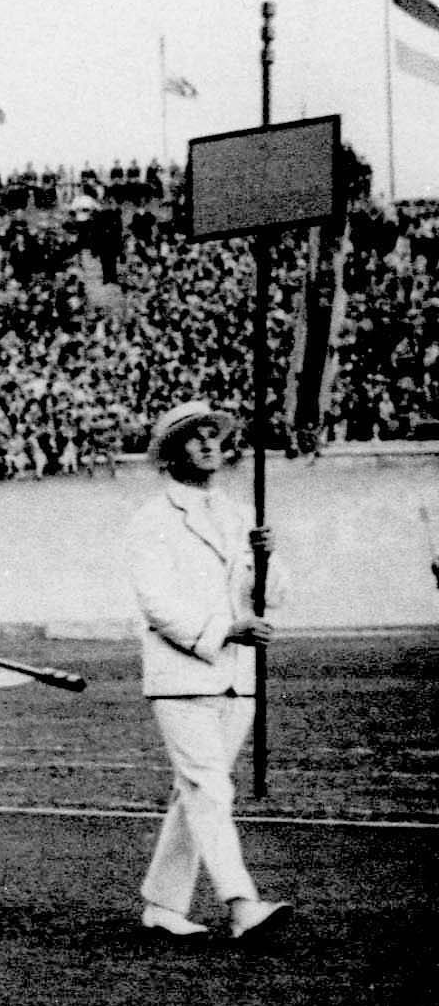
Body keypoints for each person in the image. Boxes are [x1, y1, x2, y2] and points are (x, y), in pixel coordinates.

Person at [126, 402, 290, 939]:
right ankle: (243, 905)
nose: (207, 445)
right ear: (172, 453)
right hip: (181, 675)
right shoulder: (153, 518)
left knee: (198, 791)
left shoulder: (239, 515)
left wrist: (268, 559)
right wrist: (225, 630)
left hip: (237, 678)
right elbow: (156, 602)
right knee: (210, 789)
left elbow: (272, 596)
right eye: (193, 438)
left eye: (212, 437)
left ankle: (163, 905)